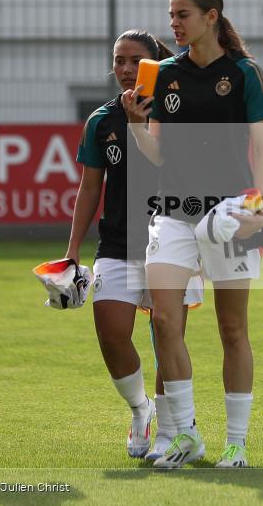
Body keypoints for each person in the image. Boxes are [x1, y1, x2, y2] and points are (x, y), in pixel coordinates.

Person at [123, 0, 263, 469]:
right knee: (165, 320)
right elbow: (158, 154)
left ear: (212, 16)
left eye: (182, 14)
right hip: (172, 213)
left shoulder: (246, 73)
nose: (173, 23)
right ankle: (187, 434)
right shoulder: (161, 74)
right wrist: (135, 124)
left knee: (232, 329)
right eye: (171, 14)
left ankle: (237, 443)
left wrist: (259, 207)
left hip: (231, 215)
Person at [66, 29, 204, 462]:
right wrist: (72, 251)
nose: (125, 69)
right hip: (117, 243)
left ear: (154, 65)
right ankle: (140, 409)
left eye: (135, 61)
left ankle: (170, 431)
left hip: (173, 240)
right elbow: (90, 189)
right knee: (111, 333)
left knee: (167, 337)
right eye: (118, 60)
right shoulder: (100, 120)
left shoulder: (178, 112)